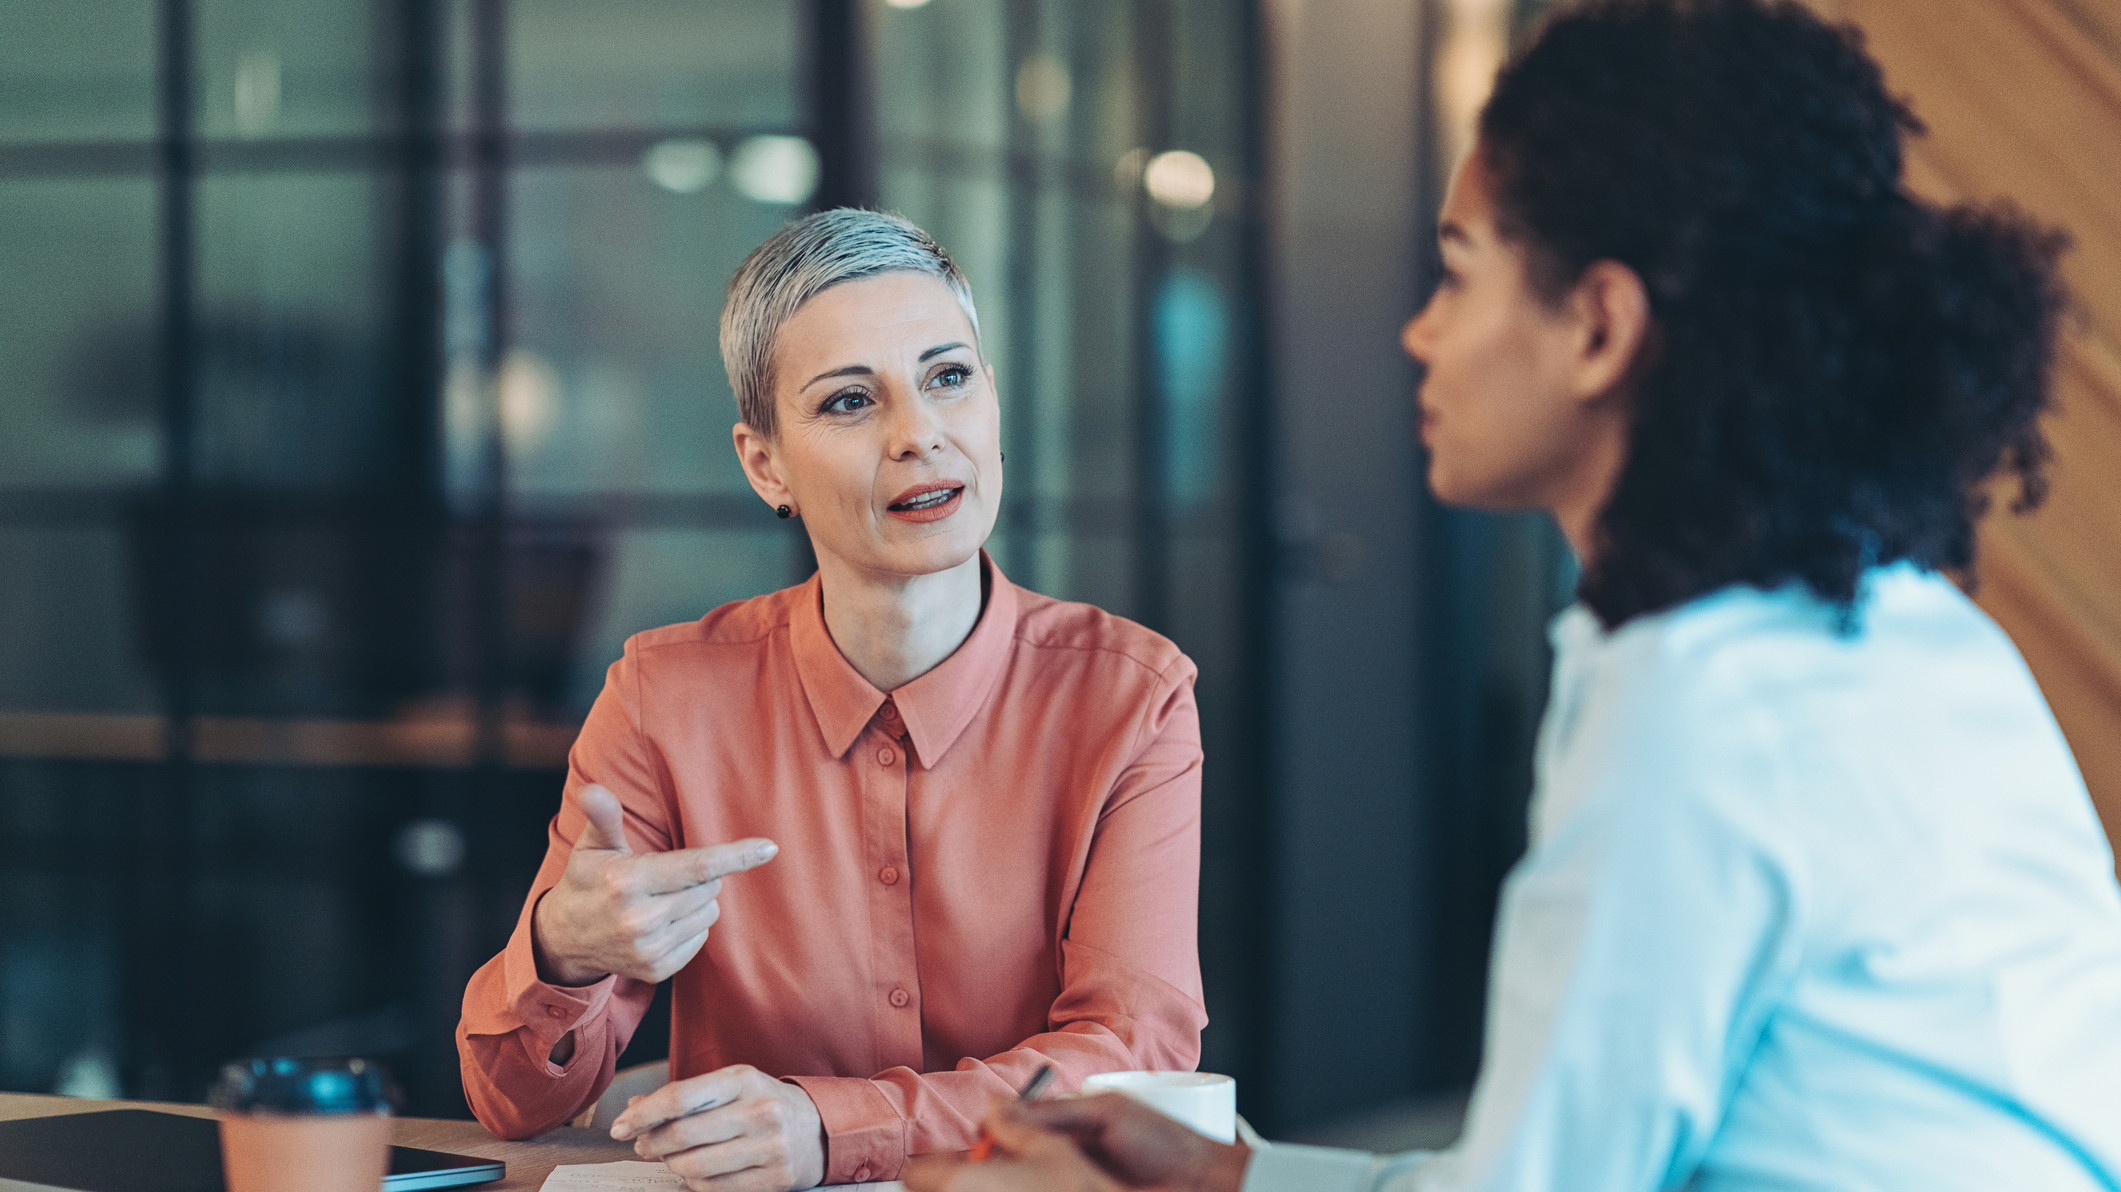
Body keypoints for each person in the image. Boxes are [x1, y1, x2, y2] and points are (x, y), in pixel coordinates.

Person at [905, 0, 2121, 1189]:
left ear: (1597, 326)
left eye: (1460, 273)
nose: (1420, 335)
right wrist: (1241, 1178)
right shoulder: (1900, 626)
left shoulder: (1696, 709)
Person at [457, 209, 1208, 1191]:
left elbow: (1133, 1057)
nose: (919, 435)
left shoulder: (1131, 698)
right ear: (765, 463)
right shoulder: (662, 697)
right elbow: (518, 1104)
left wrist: (835, 1126)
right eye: (851, 402)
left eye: (948, 377)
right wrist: (562, 951)